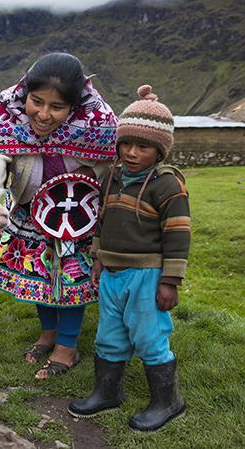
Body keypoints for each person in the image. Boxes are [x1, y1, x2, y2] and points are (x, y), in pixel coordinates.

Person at [0, 53, 118, 379]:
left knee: (69, 280)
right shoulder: (9, 119)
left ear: (74, 107)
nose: (43, 114)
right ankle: (49, 333)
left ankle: (67, 348)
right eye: (36, 101)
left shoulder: (95, 128)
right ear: (25, 94)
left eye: (56, 107)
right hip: (30, 214)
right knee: (38, 277)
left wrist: (88, 168)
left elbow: (108, 166)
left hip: (73, 219)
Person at [68, 85, 189, 432]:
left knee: (149, 337)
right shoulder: (114, 178)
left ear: (160, 149)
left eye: (144, 146)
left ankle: (168, 401)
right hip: (113, 274)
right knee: (109, 335)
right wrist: (98, 258)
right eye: (126, 144)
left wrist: (169, 281)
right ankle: (108, 392)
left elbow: (178, 234)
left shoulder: (167, 185)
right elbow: (103, 221)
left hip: (147, 276)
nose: (132, 153)